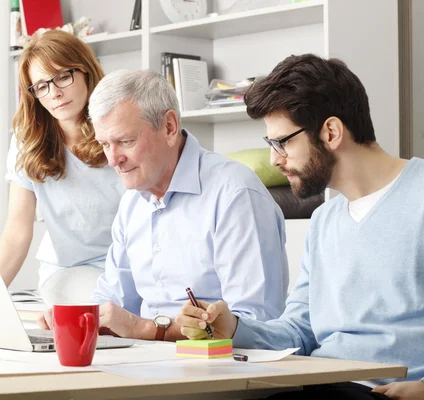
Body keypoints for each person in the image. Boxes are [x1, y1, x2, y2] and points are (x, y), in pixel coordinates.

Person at [176, 54, 424, 400]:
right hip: (323, 384)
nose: (275, 159)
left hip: (383, 391)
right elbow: (298, 331)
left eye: (284, 142)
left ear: (331, 132)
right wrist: (230, 326)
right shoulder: (324, 220)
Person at [38, 69, 289, 341]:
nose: (112, 160)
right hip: (147, 364)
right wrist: (75, 318)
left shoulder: (235, 194)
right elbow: (112, 302)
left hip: (221, 371)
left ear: (169, 127)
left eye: (125, 141)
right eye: (104, 144)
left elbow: (257, 328)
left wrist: (148, 329)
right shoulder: (132, 203)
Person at [0, 30, 125, 305]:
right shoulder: (27, 142)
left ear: (86, 72)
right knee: (105, 300)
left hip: (130, 266)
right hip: (69, 272)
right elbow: (17, 231)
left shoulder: (120, 128)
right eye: (42, 86)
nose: (54, 93)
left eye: (63, 76)